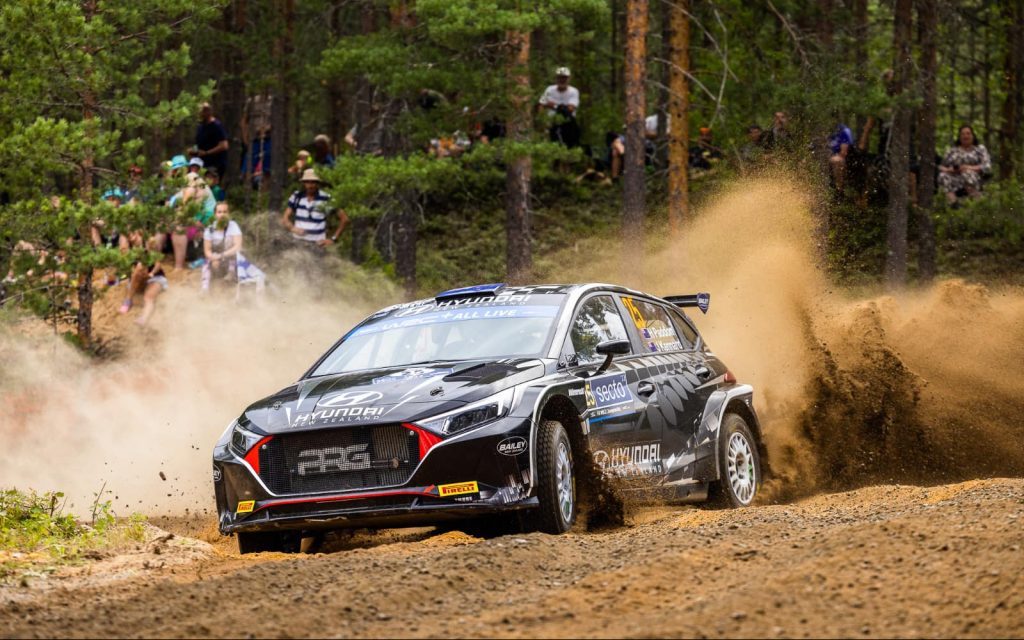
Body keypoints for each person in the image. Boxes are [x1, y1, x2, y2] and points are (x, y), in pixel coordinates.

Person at [202, 201, 266, 295]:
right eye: (219, 212)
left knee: (237, 256)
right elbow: (207, 251)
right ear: (215, 214)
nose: (222, 214)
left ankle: (232, 277)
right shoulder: (210, 229)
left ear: (229, 214)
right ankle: (205, 289)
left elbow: (237, 246)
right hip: (215, 257)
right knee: (207, 263)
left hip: (231, 257)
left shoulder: (233, 226)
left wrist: (221, 255)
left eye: (225, 212)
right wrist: (214, 258)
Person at [281, 169, 349, 249]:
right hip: (296, 243)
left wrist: (333, 239)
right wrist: (292, 228)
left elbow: (344, 219)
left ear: (317, 183)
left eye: (313, 182)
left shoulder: (326, 198)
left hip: (317, 246)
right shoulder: (297, 196)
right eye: (307, 182)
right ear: (303, 183)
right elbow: (285, 218)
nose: (310, 185)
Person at [938, 124, 991, 204]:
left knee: (967, 173)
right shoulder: (952, 151)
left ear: (973, 135)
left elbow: (987, 166)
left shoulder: (980, 149)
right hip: (955, 178)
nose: (965, 136)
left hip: (975, 178)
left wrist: (968, 168)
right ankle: (953, 204)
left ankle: (977, 203)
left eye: (968, 133)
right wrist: (949, 170)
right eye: (963, 134)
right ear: (959, 137)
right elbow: (941, 166)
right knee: (943, 176)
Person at [119, 237, 167, 327]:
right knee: (138, 270)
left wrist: (152, 273)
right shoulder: (131, 252)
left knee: (149, 297)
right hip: (140, 278)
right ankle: (128, 300)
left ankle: (144, 317)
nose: (133, 238)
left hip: (155, 278)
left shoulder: (150, 244)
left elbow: (158, 264)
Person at [538, 67, 581, 148]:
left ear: (569, 79)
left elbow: (570, 109)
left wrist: (553, 105)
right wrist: (542, 120)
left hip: (568, 125)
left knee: (569, 146)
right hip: (551, 123)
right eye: (560, 78)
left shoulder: (573, 91)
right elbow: (541, 104)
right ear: (556, 79)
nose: (562, 80)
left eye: (564, 78)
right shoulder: (549, 89)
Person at [241, 90, 272, 188]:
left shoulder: (273, 102)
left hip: (268, 138)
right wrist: (245, 136)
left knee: (267, 168)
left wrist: (268, 129)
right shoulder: (252, 101)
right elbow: (244, 120)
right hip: (254, 138)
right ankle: (246, 192)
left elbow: (277, 121)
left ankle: (265, 191)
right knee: (248, 166)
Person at [195, 102, 229, 182]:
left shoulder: (216, 126)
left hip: (215, 164)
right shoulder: (201, 126)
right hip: (202, 163)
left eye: (201, 112)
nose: (199, 115)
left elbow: (224, 145)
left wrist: (207, 153)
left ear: (207, 112)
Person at [827, 120, 855, 194]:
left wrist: (835, 157)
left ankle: (839, 191)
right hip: (830, 156)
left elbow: (844, 152)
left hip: (844, 158)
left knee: (837, 161)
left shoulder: (844, 130)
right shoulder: (828, 132)